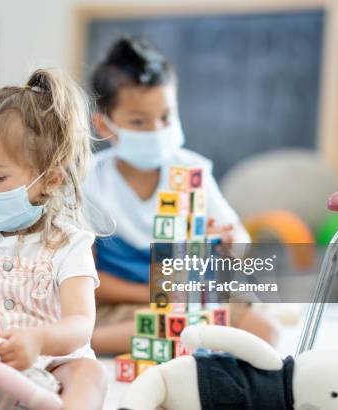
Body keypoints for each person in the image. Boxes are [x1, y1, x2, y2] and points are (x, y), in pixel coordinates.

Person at [84, 37, 280, 354]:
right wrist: (155, 295)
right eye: (138, 121)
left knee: (266, 330)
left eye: (166, 117)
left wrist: (232, 242)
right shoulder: (89, 181)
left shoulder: (191, 169)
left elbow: (239, 239)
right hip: (125, 307)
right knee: (89, 333)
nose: (156, 129)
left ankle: (190, 333)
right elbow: (87, 279)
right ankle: (191, 335)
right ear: (104, 125)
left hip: (193, 300)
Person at [0, 69, 108, 410]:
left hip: (49, 363)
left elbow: (81, 324)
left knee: (90, 372)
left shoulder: (69, 244)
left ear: (51, 179)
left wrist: (39, 340)